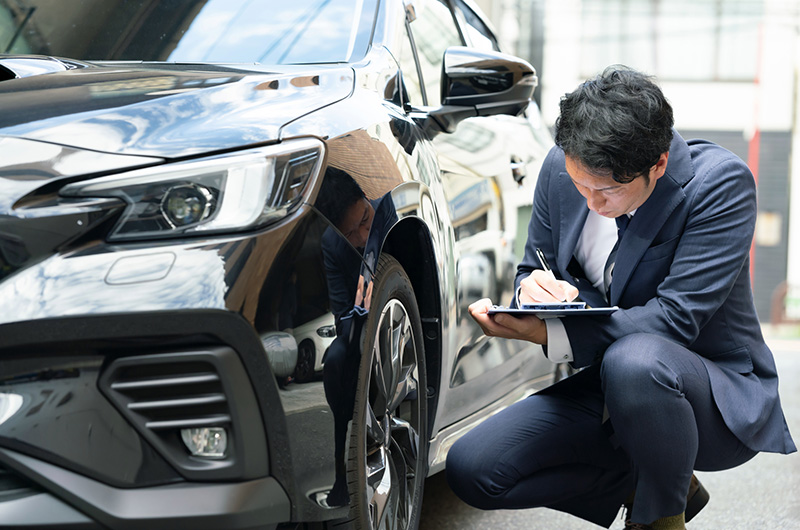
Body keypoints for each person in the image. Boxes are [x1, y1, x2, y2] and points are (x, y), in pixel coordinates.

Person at [445, 66, 796, 530]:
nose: (591, 203)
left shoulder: (719, 185)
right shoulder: (559, 168)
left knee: (636, 360)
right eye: (580, 186)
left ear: (658, 165)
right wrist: (531, 292)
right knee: (474, 470)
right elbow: (536, 265)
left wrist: (554, 333)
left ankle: (658, 516)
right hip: (611, 385)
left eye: (608, 190)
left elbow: (674, 320)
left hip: (707, 396)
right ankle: (648, 480)